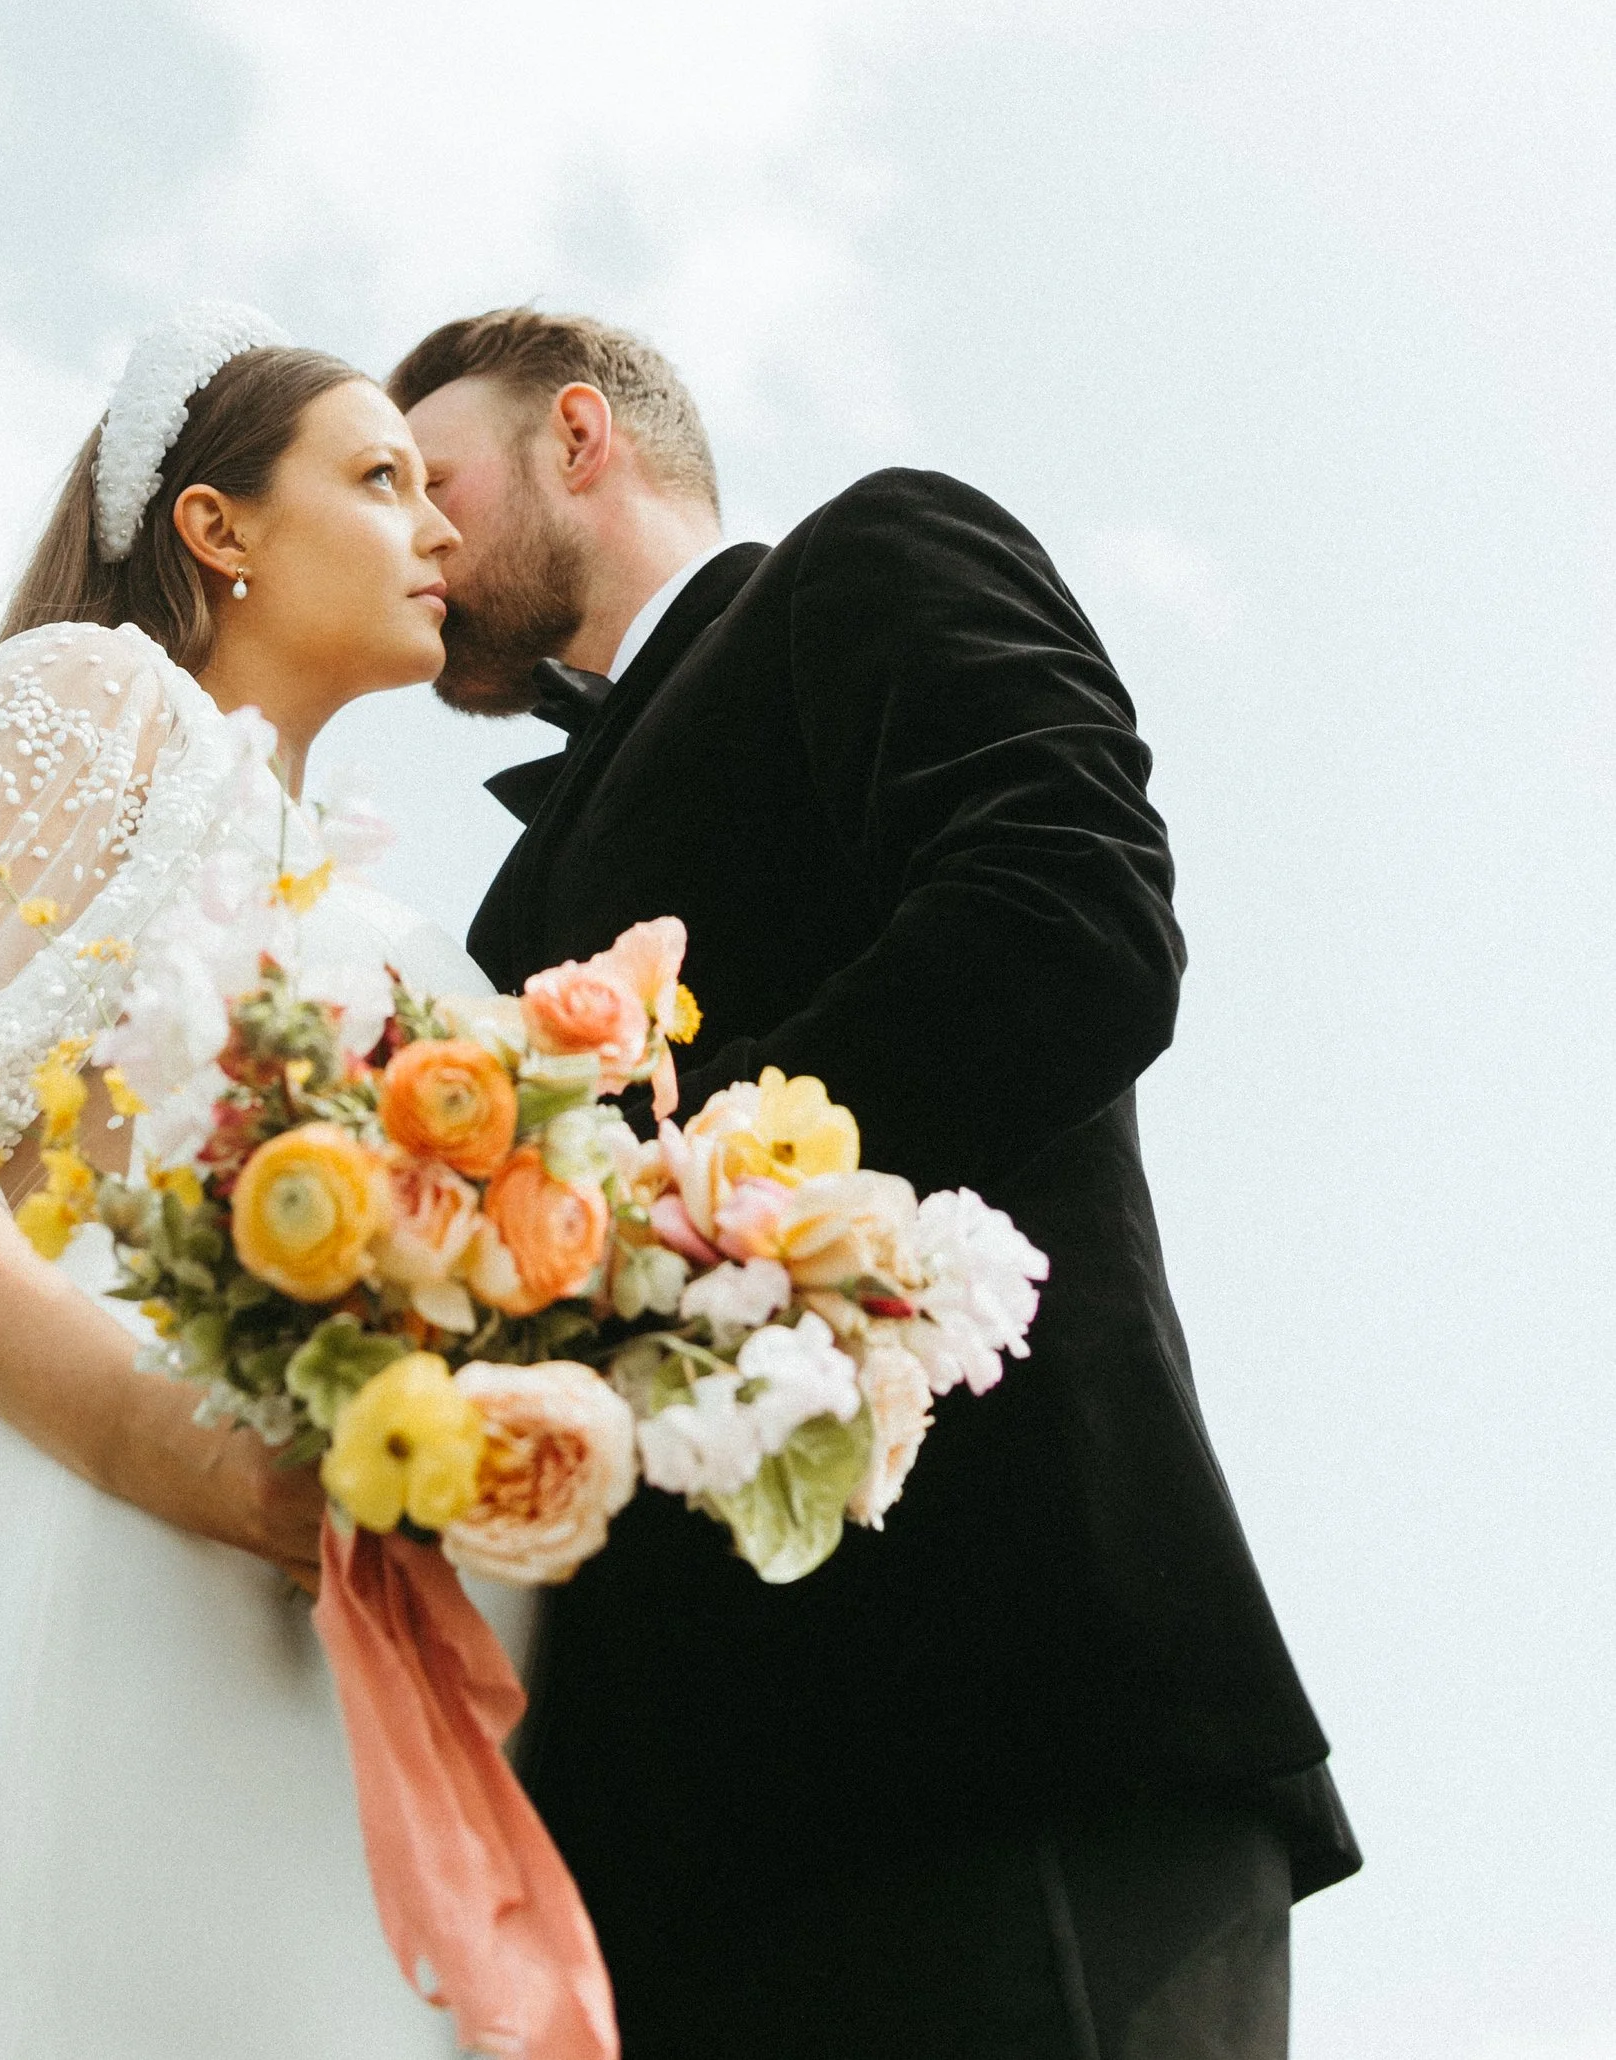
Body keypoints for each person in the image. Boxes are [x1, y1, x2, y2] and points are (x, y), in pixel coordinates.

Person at [389, 306, 1359, 2060]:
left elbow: (1067, 923)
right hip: (668, 1832)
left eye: (433, 483)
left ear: (580, 435)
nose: (413, 542)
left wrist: (668, 1215)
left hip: (1012, 1699)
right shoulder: (500, 915)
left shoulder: (869, 557)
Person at [0, 307, 533, 2060]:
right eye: (380, 480)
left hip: (354, 1656)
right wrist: (185, 1457)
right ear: (216, 531)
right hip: (109, 1549)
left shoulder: (385, 906)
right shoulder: (95, 706)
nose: (438, 528)